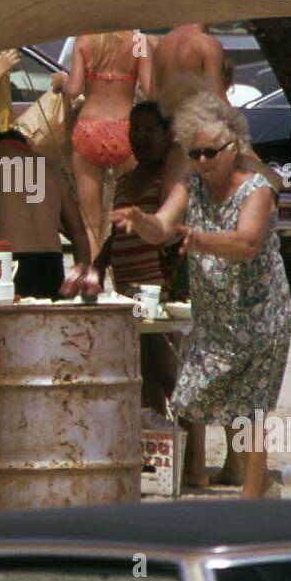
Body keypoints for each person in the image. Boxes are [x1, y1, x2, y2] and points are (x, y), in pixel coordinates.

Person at [112, 85, 290, 498]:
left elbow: (246, 243)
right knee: (191, 399)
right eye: (196, 153)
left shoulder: (256, 190)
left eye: (212, 152)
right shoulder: (190, 188)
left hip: (262, 315)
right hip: (216, 318)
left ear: (235, 146)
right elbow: (163, 227)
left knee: (252, 407)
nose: (203, 161)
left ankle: (250, 494)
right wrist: (142, 222)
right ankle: (260, 483)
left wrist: (197, 238)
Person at [92, 103, 179, 412]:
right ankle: (156, 447)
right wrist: (98, 265)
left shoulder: (170, 179)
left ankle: (190, 453)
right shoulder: (125, 180)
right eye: (135, 130)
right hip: (127, 292)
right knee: (144, 376)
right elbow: (117, 234)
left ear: (168, 134)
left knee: (170, 373)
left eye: (150, 131)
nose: (141, 137)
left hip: (159, 291)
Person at [51, 30, 152, 260]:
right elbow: (148, 89)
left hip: (89, 129)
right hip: (126, 130)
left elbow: (75, 90)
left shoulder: (84, 41)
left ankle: (92, 280)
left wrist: (63, 82)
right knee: (128, 213)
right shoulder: (138, 42)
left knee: (90, 222)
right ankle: (126, 274)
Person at [0, 129, 91, 299]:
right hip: (51, 263)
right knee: (48, 323)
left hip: (9, 262)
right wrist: (82, 282)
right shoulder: (51, 167)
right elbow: (79, 234)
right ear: (26, 146)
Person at [151, 0, 230, 104]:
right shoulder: (207, 44)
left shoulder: (162, 45)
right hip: (196, 117)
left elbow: (153, 95)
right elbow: (217, 97)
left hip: (168, 118)